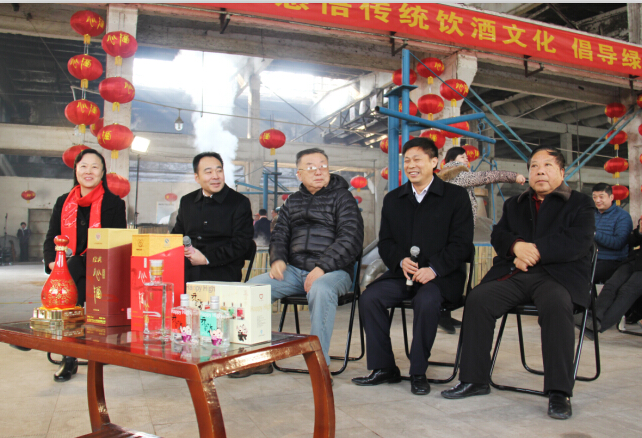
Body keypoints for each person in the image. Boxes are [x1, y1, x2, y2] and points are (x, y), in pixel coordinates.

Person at [441, 146, 596, 420]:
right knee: (478, 299)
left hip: (556, 277)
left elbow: (578, 241)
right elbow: (498, 234)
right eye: (534, 166)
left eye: (547, 166)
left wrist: (532, 252)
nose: (540, 171)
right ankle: (474, 380)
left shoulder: (580, 203)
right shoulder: (515, 203)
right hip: (515, 273)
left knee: (557, 305)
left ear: (561, 172)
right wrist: (515, 247)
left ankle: (559, 392)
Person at [352, 138, 473, 396]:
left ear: (434, 162)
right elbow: (386, 241)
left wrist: (434, 269)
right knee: (370, 298)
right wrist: (399, 260)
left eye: (417, 159)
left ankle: (418, 372)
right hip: (403, 275)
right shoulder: (394, 199)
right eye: (407, 160)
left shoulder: (455, 197)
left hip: (442, 276)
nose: (411, 165)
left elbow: (462, 244)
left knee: (426, 301)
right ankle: (384, 367)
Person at [243, 148, 364, 378]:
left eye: (323, 166)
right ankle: (257, 359)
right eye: (311, 167)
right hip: (294, 270)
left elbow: (351, 238)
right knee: (251, 290)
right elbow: (280, 234)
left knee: (321, 289)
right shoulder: (293, 201)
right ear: (299, 174)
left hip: (334, 272)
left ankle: (319, 365)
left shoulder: (343, 198)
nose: (318, 171)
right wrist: (278, 259)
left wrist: (322, 267)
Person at [42, 149, 126, 382]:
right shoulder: (63, 202)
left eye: (94, 167)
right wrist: (53, 263)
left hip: (103, 269)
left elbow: (118, 242)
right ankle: (69, 354)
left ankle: (64, 353)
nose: (89, 171)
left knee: (74, 270)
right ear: (76, 170)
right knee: (73, 271)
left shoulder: (114, 203)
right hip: (72, 269)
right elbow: (51, 238)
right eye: (83, 166)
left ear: (103, 172)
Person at [436, 146, 526, 334]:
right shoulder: (458, 175)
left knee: (451, 273)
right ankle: (442, 311)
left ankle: (444, 312)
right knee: (455, 275)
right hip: (455, 236)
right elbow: (486, 177)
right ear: (452, 160)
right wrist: (513, 176)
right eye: (463, 157)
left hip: (448, 234)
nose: (466, 160)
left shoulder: (444, 178)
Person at [587, 182, 642, 337]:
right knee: (611, 286)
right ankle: (592, 319)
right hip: (634, 261)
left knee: (627, 291)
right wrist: (640, 231)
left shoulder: (628, 217)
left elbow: (619, 242)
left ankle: (598, 327)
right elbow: (631, 241)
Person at [172, 152, 254, 283]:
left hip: (222, 272)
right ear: (197, 177)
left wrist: (206, 259)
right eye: (208, 172)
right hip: (187, 271)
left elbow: (241, 243)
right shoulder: (187, 201)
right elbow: (177, 235)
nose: (215, 176)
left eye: (219, 171)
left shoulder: (239, 202)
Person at [591, 183, 633, 285]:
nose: (597, 200)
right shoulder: (590, 213)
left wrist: (594, 234)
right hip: (590, 258)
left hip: (612, 261)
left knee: (582, 274)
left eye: (601, 197)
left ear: (611, 197)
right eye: (594, 197)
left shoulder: (622, 216)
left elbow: (619, 243)